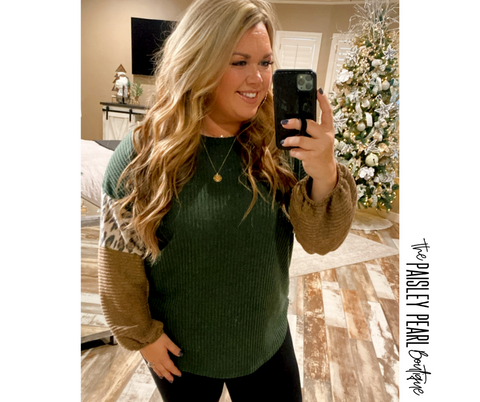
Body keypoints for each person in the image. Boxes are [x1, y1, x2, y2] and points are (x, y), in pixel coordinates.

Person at [98, 0, 356, 400]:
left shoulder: (282, 144)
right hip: (180, 353)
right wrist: (142, 336)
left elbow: (321, 240)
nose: (258, 78)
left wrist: (325, 173)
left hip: (266, 344)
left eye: (266, 62)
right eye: (239, 62)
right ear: (198, 59)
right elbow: (119, 265)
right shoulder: (140, 155)